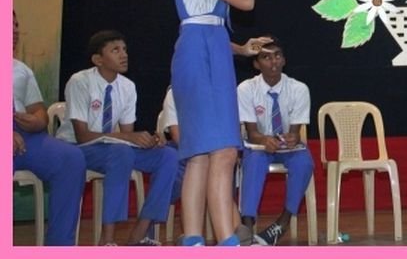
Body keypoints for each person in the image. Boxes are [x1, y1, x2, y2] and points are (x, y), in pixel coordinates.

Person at [168, 0, 261, 246]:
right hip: (204, 58)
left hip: (201, 53)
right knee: (223, 151)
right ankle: (227, 241)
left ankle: (193, 241)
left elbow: (203, 26)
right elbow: (246, 0)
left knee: (200, 156)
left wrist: (240, 49)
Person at [57, 30, 178, 245]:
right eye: (115, 50)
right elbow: (82, 136)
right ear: (98, 59)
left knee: (168, 156)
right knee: (121, 152)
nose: (124, 55)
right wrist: (129, 138)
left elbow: (126, 133)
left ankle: (140, 233)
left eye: (124, 49)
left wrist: (148, 141)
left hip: (111, 148)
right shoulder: (80, 81)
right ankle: (107, 240)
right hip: (77, 148)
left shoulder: (127, 86)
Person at [13, 11, 86, 245]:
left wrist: (38, 121)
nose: (14, 30)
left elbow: (38, 110)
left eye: (16, 24)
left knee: (71, 158)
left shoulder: (21, 70)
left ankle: (59, 245)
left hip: (24, 134)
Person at [149, 87, 253, 244]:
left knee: (221, 163)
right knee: (199, 166)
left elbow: (229, 132)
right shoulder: (176, 92)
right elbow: (178, 137)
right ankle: (227, 233)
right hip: (186, 153)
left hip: (215, 152)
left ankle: (217, 234)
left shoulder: (220, 90)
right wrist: (205, 154)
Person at [237, 37, 314, 246]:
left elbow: (295, 133)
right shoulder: (246, 89)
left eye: (277, 56)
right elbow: (252, 133)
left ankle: (283, 222)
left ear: (284, 60)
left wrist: (292, 138)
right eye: (266, 57)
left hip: (287, 148)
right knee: (254, 161)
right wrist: (265, 140)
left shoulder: (299, 89)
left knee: (304, 162)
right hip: (259, 145)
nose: (273, 62)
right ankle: (247, 225)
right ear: (256, 64)